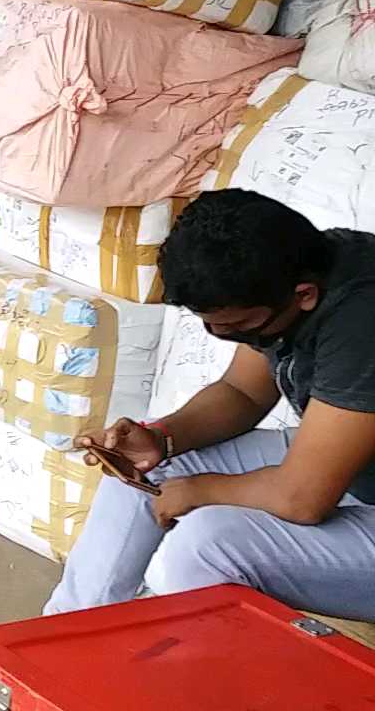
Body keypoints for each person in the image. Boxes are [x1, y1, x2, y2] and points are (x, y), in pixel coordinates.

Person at [45, 189, 375, 620]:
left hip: (347, 489)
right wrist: (161, 439)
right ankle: (61, 641)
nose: (223, 335)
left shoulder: (361, 321)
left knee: (209, 543)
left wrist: (203, 490)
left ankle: (178, 682)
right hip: (359, 473)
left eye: (235, 327)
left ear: (305, 294)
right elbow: (243, 392)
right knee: (145, 468)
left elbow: (302, 498)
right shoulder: (295, 261)